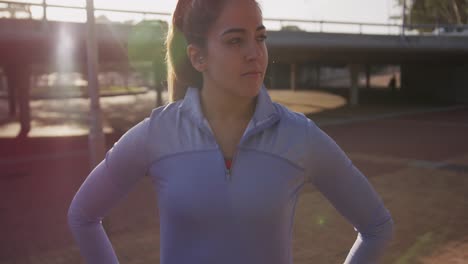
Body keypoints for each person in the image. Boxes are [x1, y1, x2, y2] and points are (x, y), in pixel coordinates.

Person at [68, 0, 394, 263]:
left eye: (260, 37)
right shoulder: (157, 133)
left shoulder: (300, 136)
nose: (255, 52)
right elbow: (83, 215)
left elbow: (377, 226)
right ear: (197, 57)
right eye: (235, 40)